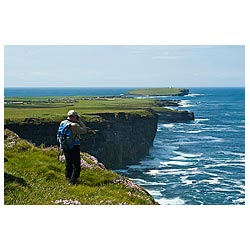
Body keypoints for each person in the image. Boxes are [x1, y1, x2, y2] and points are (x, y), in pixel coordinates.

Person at [59, 110, 87, 185]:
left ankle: (67, 178)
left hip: (65, 146)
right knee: (76, 165)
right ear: (75, 117)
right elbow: (84, 130)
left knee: (68, 163)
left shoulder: (63, 123)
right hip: (74, 146)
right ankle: (73, 182)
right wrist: (80, 122)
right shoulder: (74, 125)